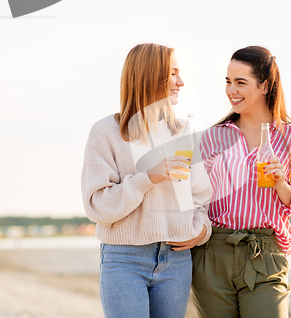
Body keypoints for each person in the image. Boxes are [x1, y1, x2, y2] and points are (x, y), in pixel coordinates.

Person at [81, 43, 212, 318]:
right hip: (124, 259)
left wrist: (201, 232)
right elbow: (97, 206)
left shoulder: (183, 134)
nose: (181, 82)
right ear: (149, 76)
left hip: (176, 261)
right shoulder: (106, 132)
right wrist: (147, 177)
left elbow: (201, 199)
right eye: (173, 73)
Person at [192, 46, 291, 318]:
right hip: (212, 253)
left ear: (264, 86)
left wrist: (282, 185)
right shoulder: (212, 137)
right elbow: (195, 198)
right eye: (228, 82)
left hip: (266, 254)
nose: (231, 90)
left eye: (240, 82)